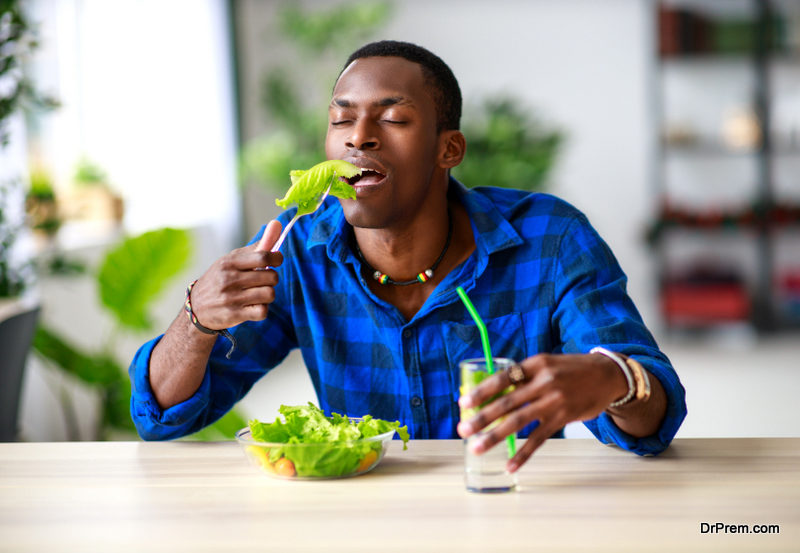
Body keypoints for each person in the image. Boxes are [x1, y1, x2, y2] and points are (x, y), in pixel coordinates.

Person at [129, 40, 686, 471]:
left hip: (511, 508)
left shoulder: (550, 237)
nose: (360, 138)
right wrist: (196, 320)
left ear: (449, 149)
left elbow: (655, 419)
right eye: (342, 119)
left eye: (393, 119)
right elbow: (161, 418)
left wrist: (614, 377)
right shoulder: (298, 251)